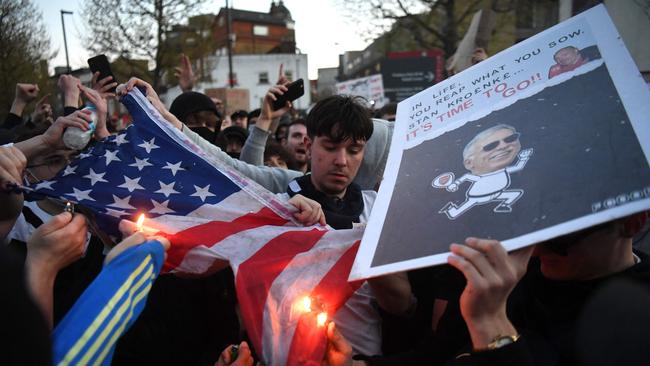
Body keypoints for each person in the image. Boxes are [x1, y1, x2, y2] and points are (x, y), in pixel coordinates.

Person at [326, 211, 650, 365]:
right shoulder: (514, 275)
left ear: (632, 222)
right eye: (535, 231)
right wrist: (358, 364)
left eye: (560, 239)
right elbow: (436, 356)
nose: (537, 250)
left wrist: (491, 324)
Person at [437, 124, 533, 219]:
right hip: (477, 197)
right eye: (490, 146)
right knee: (455, 213)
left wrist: (524, 158)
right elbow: (466, 177)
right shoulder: (479, 178)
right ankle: (449, 208)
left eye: (511, 139)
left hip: (497, 193)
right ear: (469, 163)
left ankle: (503, 206)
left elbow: (518, 167)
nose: (503, 146)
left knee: (515, 194)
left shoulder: (504, 170)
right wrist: (455, 184)